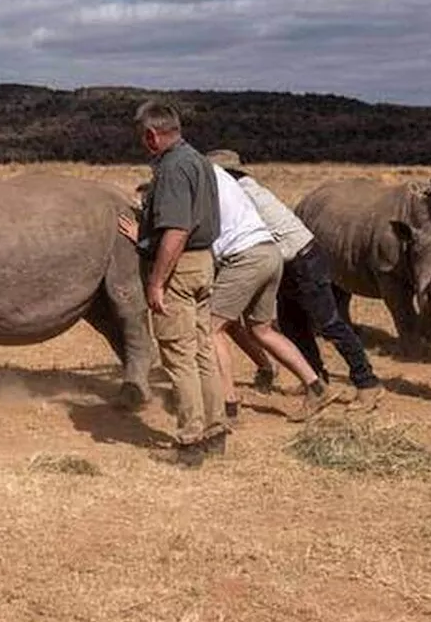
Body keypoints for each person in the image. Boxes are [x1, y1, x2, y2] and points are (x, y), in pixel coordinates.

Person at [205, 151, 383, 411]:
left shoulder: (241, 194)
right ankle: (317, 381)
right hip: (288, 262)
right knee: (293, 326)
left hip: (302, 259)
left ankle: (367, 383)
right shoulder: (247, 188)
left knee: (330, 324)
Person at [118, 101, 226, 469]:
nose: (142, 143)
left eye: (142, 137)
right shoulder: (198, 160)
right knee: (201, 352)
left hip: (179, 268)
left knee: (179, 358)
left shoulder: (173, 169)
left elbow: (177, 230)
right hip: (204, 264)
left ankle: (190, 440)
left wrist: (157, 282)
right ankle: (215, 431)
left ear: (152, 134)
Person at [205, 163, 337, 423]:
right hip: (269, 252)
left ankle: (227, 406)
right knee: (261, 329)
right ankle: (316, 387)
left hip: (244, 258)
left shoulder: (197, 180)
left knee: (211, 329)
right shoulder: (231, 184)